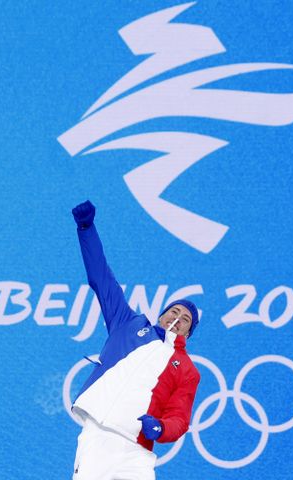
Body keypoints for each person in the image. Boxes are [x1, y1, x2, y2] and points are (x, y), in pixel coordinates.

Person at [69, 200, 201, 480]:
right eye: (173, 312)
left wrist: (161, 429)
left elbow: (180, 417)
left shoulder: (187, 369)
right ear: (162, 315)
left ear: (188, 333)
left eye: (185, 319)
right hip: (99, 437)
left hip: (137, 451)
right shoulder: (127, 324)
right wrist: (87, 229)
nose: (176, 318)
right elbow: (101, 278)